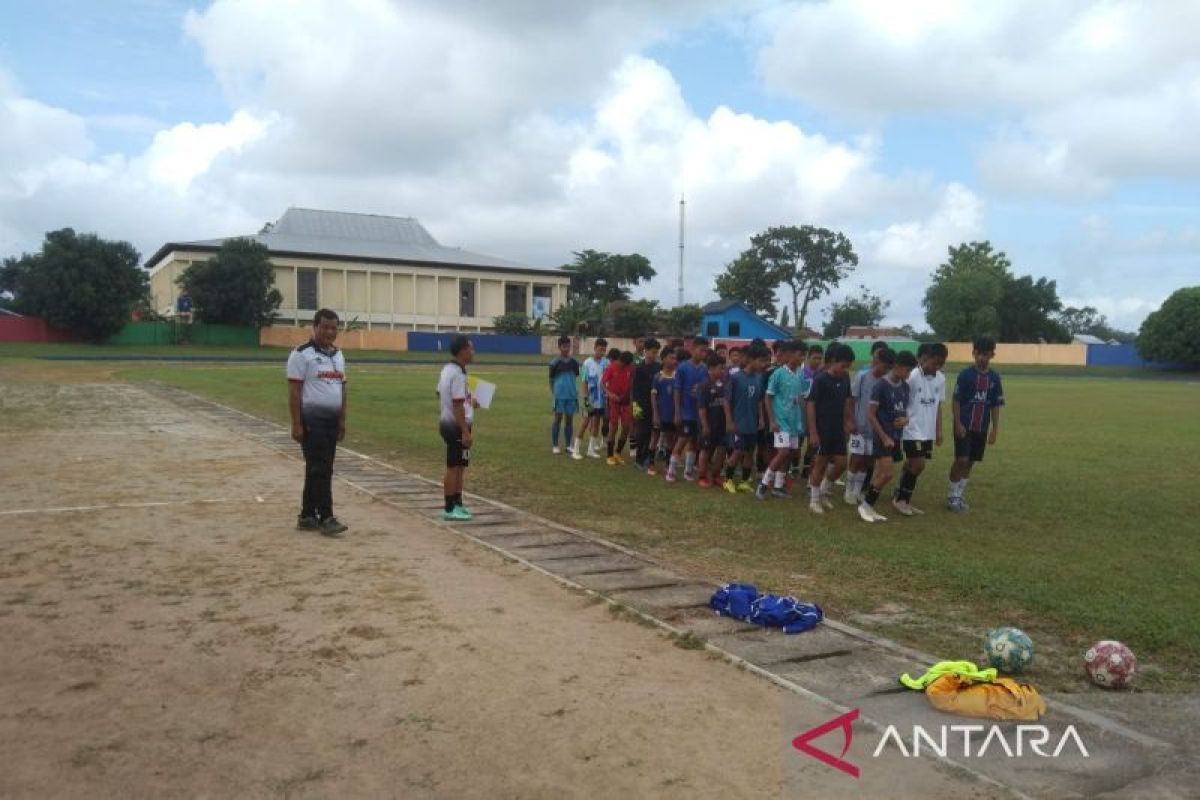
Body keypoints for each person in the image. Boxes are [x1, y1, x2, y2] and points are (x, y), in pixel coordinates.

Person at [287, 308, 349, 537]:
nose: (329, 332)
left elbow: (343, 389)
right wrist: (296, 423)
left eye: (334, 328)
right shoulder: (301, 355)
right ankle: (327, 516)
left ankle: (306, 515)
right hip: (312, 420)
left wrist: (342, 420)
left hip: (332, 422)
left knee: (318, 468)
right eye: (325, 327)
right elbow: (294, 392)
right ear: (314, 327)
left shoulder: (338, 355)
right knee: (321, 468)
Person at [858, 349, 916, 523]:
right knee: (887, 474)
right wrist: (883, 436)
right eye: (907, 370)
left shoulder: (905, 387)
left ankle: (869, 507)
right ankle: (865, 506)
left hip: (895, 436)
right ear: (897, 367)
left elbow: (904, 412)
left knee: (884, 473)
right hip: (883, 436)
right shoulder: (881, 386)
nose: (908, 375)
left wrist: (905, 421)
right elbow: (871, 414)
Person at [948, 337, 1005, 512]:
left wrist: (994, 430)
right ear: (973, 354)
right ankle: (951, 496)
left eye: (986, 355)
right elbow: (956, 400)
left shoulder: (994, 378)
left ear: (992, 355)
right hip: (964, 425)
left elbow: (995, 405)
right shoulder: (965, 375)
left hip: (981, 427)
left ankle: (959, 494)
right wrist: (957, 423)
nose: (982, 358)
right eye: (979, 354)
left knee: (971, 461)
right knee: (961, 460)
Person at [894, 342, 948, 516]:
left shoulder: (941, 379)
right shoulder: (912, 376)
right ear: (926, 358)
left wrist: (939, 430)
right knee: (919, 464)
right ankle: (902, 500)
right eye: (935, 362)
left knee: (911, 464)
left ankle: (900, 493)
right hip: (911, 428)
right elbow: (901, 399)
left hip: (928, 431)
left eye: (941, 364)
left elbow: (938, 405)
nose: (937, 367)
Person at [804, 343, 854, 514]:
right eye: (843, 365)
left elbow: (848, 400)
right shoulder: (821, 379)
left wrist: (849, 421)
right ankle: (814, 500)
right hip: (822, 428)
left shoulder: (846, 378)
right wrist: (812, 431)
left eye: (848, 366)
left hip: (838, 428)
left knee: (841, 464)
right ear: (833, 361)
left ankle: (823, 491)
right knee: (820, 464)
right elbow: (810, 404)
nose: (845, 369)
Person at [758, 340, 807, 499]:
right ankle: (764, 484)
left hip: (794, 421)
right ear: (790, 355)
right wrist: (772, 420)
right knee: (782, 452)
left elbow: (801, 396)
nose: (802, 358)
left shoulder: (800, 373)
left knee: (790, 453)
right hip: (781, 421)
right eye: (800, 355)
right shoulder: (778, 373)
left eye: (803, 355)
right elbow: (768, 397)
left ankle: (778, 487)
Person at [844, 346, 892, 505]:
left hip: (876, 430)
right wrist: (850, 420)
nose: (885, 370)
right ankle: (848, 491)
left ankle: (858, 492)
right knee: (856, 458)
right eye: (884, 366)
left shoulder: (886, 382)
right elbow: (851, 399)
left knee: (868, 461)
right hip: (859, 426)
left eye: (888, 368)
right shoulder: (862, 376)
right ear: (877, 361)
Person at [437, 335, 476, 521]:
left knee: (460, 466)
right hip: (456, 426)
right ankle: (450, 507)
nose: (473, 352)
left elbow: (440, 392)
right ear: (462, 351)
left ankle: (458, 503)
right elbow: (458, 404)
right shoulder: (458, 374)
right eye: (471, 348)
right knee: (454, 467)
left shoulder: (448, 369)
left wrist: (469, 400)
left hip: (450, 422)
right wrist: (465, 431)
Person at [722, 344, 770, 493]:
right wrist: (729, 421)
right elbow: (726, 401)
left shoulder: (758, 378)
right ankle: (727, 480)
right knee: (737, 451)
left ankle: (744, 481)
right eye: (761, 361)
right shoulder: (735, 378)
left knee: (750, 452)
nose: (764, 364)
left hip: (752, 423)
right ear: (750, 359)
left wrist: (761, 419)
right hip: (738, 423)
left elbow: (760, 401)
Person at [669, 335, 710, 482]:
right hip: (686, 412)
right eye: (701, 350)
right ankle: (671, 471)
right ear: (693, 349)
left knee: (694, 442)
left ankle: (688, 471)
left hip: (698, 413)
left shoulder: (705, 369)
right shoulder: (683, 367)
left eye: (706, 351)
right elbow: (677, 390)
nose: (703, 354)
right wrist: (677, 412)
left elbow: (705, 389)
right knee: (681, 440)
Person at [696, 352, 728, 488]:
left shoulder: (723, 385)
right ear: (711, 368)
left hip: (721, 424)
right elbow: (702, 408)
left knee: (721, 449)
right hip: (709, 424)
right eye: (720, 368)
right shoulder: (704, 386)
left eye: (723, 368)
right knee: (706, 450)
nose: (723, 371)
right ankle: (702, 476)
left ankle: (716, 475)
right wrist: (705, 425)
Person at [574, 338, 609, 459]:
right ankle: (576, 449)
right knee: (585, 423)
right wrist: (585, 398)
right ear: (595, 348)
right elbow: (584, 381)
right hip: (590, 399)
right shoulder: (587, 363)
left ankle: (591, 449)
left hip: (601, 400)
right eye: (600, 349)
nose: (602, 352)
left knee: (596, 424)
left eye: (604, 350)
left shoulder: (606, 363)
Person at [631, 338, 662, 471]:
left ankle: (648, 458)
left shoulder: (658, 368)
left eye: (657, 353)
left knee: (652, 434)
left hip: (655, 405)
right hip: (641, 405)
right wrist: (635, 407)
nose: (655, 355)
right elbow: (634, 389)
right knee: (642, 433)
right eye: (653, 352)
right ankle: (639, 459)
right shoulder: (639, 369)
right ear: (646, 351)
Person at [548, 336, 580, 455]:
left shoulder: (574, 362)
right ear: (559, 347)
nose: (566, 349)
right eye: (564, 346)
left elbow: (575, 376)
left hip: (571, 395)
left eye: (568, 346)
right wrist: (554, 393)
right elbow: (551, 380)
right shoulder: (554, 363)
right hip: (559, 396)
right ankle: (555, 445)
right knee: (557, 419)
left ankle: (568, 445)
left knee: (569, 420)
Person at [650, 347, 679, 476]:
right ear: (663, 359)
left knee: (670, 440)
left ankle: (668, 464)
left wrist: (677, 413)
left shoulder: (677, 376)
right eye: (671, 358)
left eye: (675, 358)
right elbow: (653, 396)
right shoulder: (658, 377)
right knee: (654, 438)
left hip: (672, 415)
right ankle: (651, 463)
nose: (674, 361)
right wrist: (655, 414)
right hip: (660, 414)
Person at [602, 350, 635, 465]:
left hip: (625, 402)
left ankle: (618, 453)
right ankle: (609, 456)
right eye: (623, 364)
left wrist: (630, 398)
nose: (624, 367)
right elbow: (602, 383)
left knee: (626, 427)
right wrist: (610, 394)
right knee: (614, 427)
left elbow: (631, 382)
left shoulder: (629, 368)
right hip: (614, 402)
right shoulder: (612, 367)